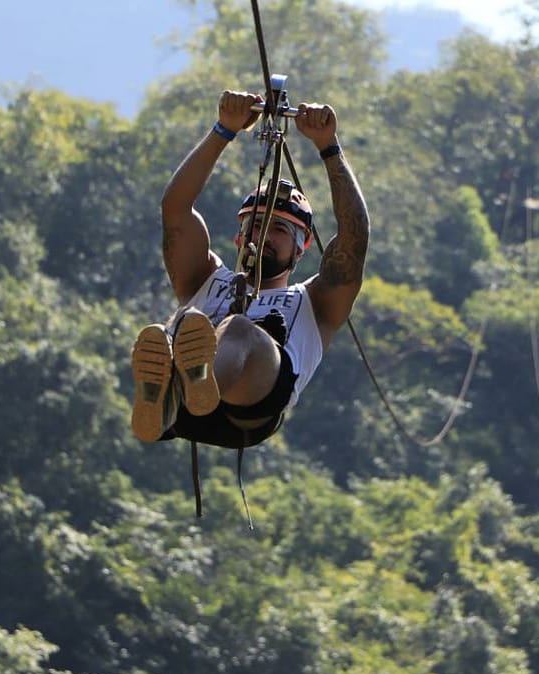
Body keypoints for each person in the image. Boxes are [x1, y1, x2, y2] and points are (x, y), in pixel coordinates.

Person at [131, 90, 370, 449]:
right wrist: (223, 130)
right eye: (256, 225)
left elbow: (354, 236)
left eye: (278, 229)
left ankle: (186, 386)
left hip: (253, 406)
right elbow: (175, 209)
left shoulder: (315, 303)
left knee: (240, 329)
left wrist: (328, 147)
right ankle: (171, 393)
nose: (264, 235)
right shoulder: (205, 277)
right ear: (239, 236)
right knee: (174, 328)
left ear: (301, 249)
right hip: (187, 412)